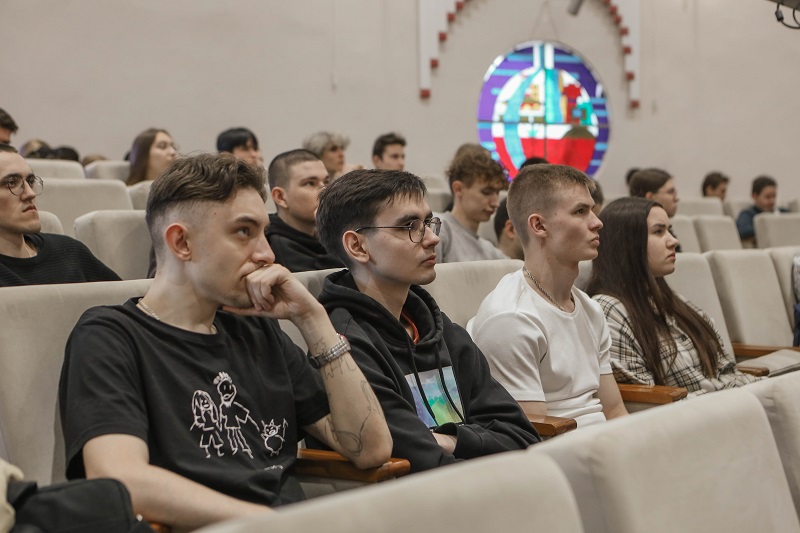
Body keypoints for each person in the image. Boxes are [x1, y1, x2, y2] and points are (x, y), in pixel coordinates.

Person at [59, 153, 392, 531]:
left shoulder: (256, 330)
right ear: (181, 242)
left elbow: (371, 449)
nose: (267, 253)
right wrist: (272, 524)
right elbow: (120, 478)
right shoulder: (109, 337)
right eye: (243, 232)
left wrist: (313, 320)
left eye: (264, 232)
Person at [315, 169, 540, 473]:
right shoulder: (342, 344)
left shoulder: (440, 329)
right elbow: (420, 459)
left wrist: (449, 440)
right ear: (358, 246)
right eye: (409, 226)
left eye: (429, 223)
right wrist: (476, 442)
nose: (433, 238)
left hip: (480, 484)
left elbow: (522, 437)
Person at [469, 164, 628, 428]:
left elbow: (614, 410)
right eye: (580, 211)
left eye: (592, 210)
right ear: (539, 225)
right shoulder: (512, 318)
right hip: (563, 449)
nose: (597, 222)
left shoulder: (590, 308)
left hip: (606, 441)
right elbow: (533, 435)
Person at [586, 197, 762, 396]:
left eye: (669, 230)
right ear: (627, 243)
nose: (674, 241)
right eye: (658, 232)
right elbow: (646, 400)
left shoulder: (670, 300)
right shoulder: (610, 310)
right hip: (701, 410)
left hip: (732, 399)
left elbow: (725, 367)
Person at [0, 144, 120, 287]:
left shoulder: (69, 251)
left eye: (30, 182)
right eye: (11, 183)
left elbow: (128, 298)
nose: (30, 193)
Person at [266, 149, 344, 272]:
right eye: (310, 183)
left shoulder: (318, 234)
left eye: (326, 182)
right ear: (280, 197)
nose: (325, 191)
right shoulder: (278, 249)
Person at [435, 151, 508, 262]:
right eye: (486, 192)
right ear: (458, 189)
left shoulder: (490, 251)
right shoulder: (439, 228)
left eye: (497, 193)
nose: (496, 203)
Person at [736, 175, 788, 242]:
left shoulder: (785, 213)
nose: (772, 201)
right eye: (768, 197)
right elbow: (743, 231)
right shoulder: (747, 215)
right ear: (754, 196)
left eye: (774, 196)